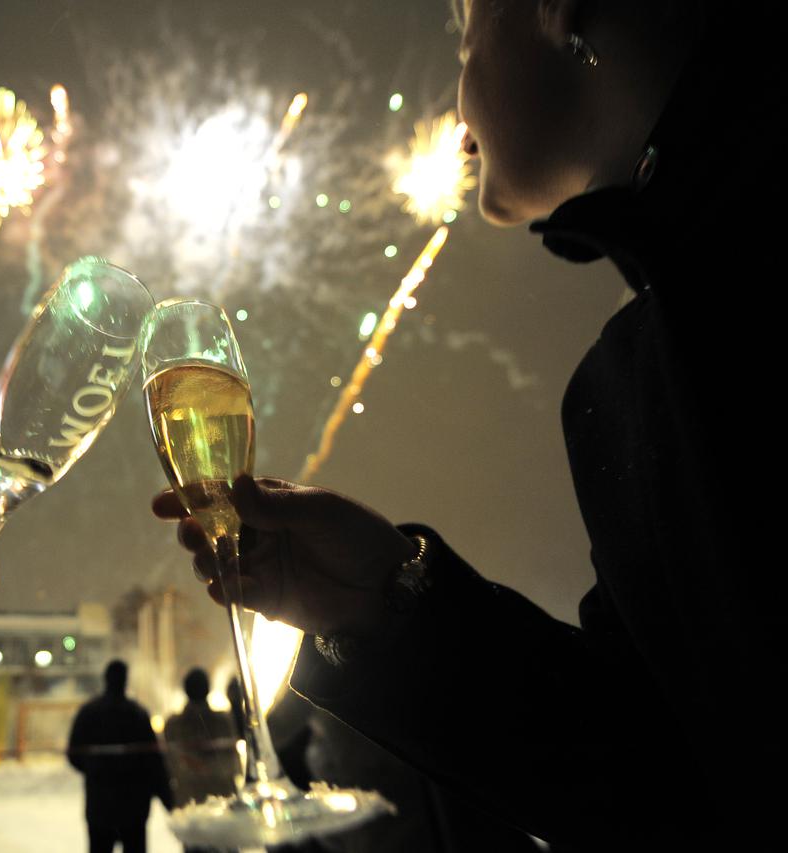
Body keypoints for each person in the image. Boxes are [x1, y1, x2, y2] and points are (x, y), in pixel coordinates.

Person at [154, 1, 781, 849]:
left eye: (461, 38)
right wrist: (385, 598)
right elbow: (656, 774)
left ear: (557, 7)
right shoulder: (644, 363)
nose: (457, 115)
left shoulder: (686, 344)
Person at [66, 660, 172, 853]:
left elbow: (74, 754)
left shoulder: (89, 713)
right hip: (134, 806)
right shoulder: (137, 714)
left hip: (100, 804)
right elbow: (153, 761)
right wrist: (167, 797)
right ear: (125, 681)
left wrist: (94, 769)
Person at [162, 668, 240, 814]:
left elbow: (169, 765)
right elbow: (232, 764)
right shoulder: (223, 721)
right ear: (208, 689)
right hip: (221, 799)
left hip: (188, 801)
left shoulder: (173, 725)